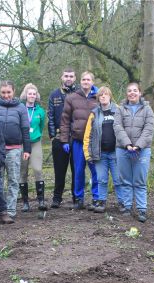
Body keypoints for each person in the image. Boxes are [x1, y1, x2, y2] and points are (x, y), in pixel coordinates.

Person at [0, 80, 31, 219]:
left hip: (15, 149)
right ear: (0, 92)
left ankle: (11, 209)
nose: (6, 95)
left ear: (14, 92)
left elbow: (25, 129)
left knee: (13, 180)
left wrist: (27, 149)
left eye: (9, 92)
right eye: (3, 92)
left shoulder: (21, 108)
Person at [114, 82, 154, 222]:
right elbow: (117, 127)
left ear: (140, 93)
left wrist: (137, 146)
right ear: (127, 94)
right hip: (122, 149)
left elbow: (149, 130)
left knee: (140, 180)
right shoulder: (120, 109)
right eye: (129, 91)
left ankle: (142, 209)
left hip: (142, 151)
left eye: (135, 90)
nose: (132, 93)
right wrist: (127, 144)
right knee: (125, 180)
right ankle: (127, 206)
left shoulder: (147, 110)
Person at [59, 71, 98, 210]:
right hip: (77, 141)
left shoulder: (99, 97)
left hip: (95, 142)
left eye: (88, 79)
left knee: (96, 171)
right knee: (78, 171)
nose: (86, 82)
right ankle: (79, 198)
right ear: (80, 81)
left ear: (92, 81)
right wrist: (64, 140)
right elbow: (64, 120)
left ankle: (96, 198)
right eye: (83, 79)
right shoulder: (71, 98)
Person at [83, 86, 121, 213]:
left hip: (116, 153)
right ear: (98, 98)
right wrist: (87, 153)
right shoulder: (94, 113)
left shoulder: (119, 111)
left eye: (106, 94)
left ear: (110, 96)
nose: (103, 96)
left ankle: (122, 203)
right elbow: (88, 135)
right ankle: (101, 202)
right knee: (101, 179)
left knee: (118, 180)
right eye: (101, 95)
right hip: (100, 153)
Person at [47, 68, 77, 208]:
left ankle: (76, 197)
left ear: (75, 78)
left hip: (76, 138)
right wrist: (53, 136)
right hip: (59, 139)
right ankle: (57, 198)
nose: (68, 78)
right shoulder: (54, 95)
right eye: (66, 76)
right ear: (61, 77)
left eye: (71, 76)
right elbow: (50, 117)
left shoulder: (79, 94)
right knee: (60, 170)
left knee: (77, 169)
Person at [19, 83, 47, 212]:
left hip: (35, 142)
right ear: (25, 95)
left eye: (34, 94)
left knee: (37, 169)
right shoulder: (19, 109)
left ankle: (41, 200)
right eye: (29, 93)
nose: (32, 96)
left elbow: (41, 127)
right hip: (21, 143)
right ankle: (25, 202)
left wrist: (36, 135)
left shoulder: (40, 111)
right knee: (22, 172)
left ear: (36, 96)